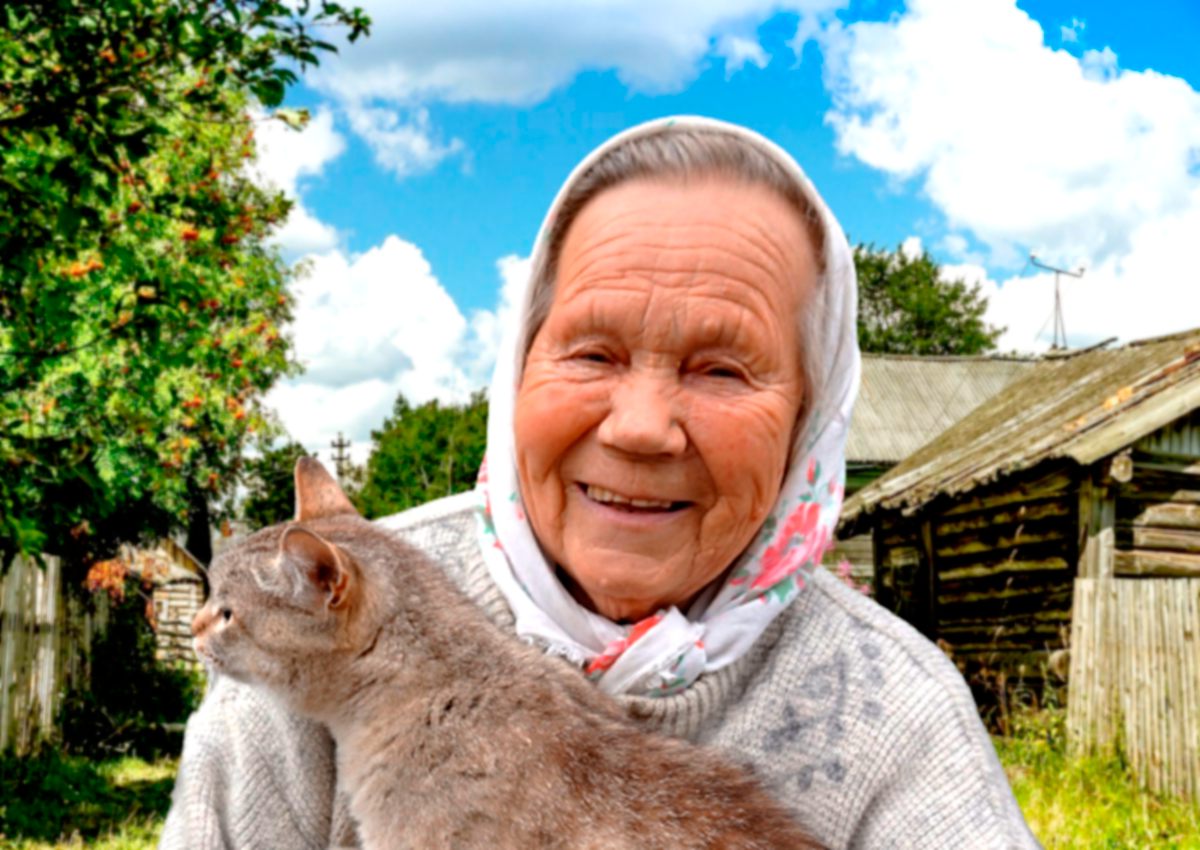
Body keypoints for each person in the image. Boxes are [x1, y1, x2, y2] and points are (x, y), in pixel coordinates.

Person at [161, 116, 1041, 849]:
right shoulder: (302, 653)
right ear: (518, 367)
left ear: (810, 418)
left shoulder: (900, 716)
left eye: (724, 369)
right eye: (592, 352)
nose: (642, 427)